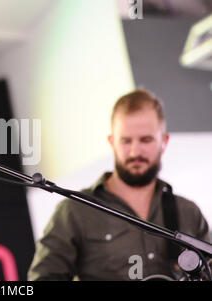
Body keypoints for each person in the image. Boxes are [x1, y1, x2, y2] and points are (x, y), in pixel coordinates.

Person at [28, 89, 209, 281]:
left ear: (164, 141)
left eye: (146, 140)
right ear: (112, 142)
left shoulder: (188, 212)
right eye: (125, 141)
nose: (134, 152)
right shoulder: (75, 210)